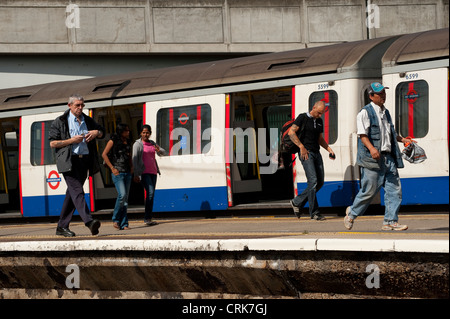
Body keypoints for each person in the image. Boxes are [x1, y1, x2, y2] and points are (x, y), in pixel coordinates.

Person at [344, 82, 413, 231]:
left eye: (383, 93)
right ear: (371, 96)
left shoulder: (385, 112)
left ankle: (390, 221)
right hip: (372, 158)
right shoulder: (365, 113)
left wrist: (403, 139)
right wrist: (372, 149)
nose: (383, 96)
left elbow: (390, 134)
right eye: (379, 93)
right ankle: (351, 214)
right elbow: (362, 135)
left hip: (389, 158)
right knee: (369, 191)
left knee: (394, 189)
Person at [49, 94, 104, 237]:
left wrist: (96, 132)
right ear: (69, 106)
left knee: (72, 194)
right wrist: (71, 140)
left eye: (82, 105)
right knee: (78, 191)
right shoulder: (60, 121)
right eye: (77, 105)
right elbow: (52, 143)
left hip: (84, 161)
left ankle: (61, 227)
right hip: (69, 161)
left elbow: (102, 132)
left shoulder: (88, 120)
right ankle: (89, 221)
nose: (80, 108)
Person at [288, 100, 335, 220]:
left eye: (322, 113)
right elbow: (291, 132)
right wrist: (301, 147)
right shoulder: (302, 118)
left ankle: (297, 201)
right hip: (306, 153)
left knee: (320, 182)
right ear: (313, 108)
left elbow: (320, 139)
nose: (320, 115)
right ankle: (314, 213)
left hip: (316, 153)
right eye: (318, 113)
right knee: (313, 181)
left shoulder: (319, 121)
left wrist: (329, 149)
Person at [132, 124, 166, 226]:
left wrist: (158, 150)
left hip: (153, 172)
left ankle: (149, 218)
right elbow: (135, 159)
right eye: (144, 132)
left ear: (150, 134)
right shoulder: (137, 144)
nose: (145, 134)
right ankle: (147, 218)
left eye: (147, 133)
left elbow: (163, 153)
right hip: (144, 172)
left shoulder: (152, 143)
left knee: (152, 194)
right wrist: (136, 174)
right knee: (150, 193)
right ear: (140, 133)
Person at [102, 123, 133, 230]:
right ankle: (115, 219)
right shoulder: (112, 141)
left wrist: (132, 167)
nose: (128, 132)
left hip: (127, 172)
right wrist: (112, 168)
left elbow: (129, 157)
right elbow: (104, 154)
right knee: (122, 195)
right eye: (126, 130)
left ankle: (124, 224)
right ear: (121, 131)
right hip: (117, 172)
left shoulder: (128, 142)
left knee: (125, 199)